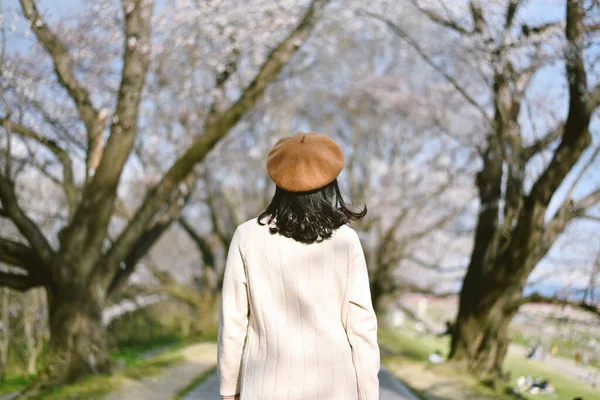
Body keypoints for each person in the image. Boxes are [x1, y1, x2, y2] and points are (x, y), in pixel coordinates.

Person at [217, 132, 380, 400]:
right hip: (335, 387)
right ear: (331, 184)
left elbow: (233, 322)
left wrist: (229, 390)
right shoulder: (345, 241)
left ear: (279, 182)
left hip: (265, 387)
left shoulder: (247, 236)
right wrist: (368, 394)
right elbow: (361, 327)